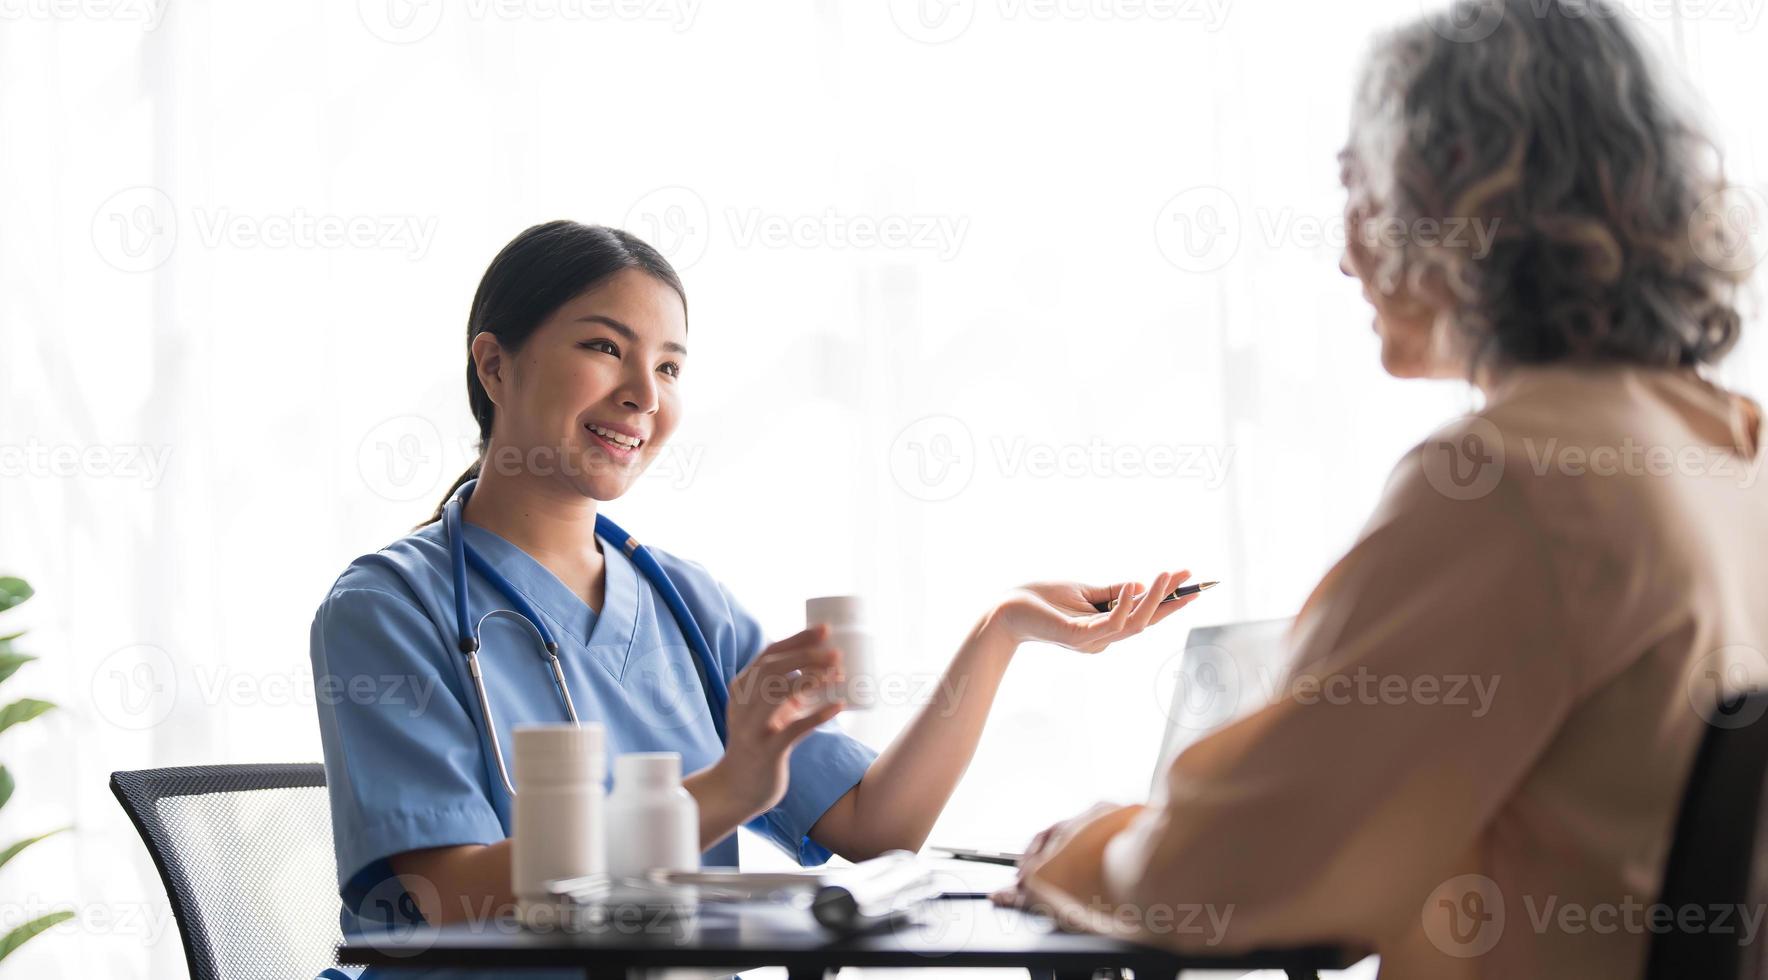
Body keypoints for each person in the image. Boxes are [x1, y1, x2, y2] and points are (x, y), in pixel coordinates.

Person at [993, 1, 1765, 976]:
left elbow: (1228, 873)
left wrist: (1082, 845)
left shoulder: (1515, 482)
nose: (1345, 249)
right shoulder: (1732, 458)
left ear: (1458, 203)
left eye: (1359, 190)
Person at [309, 220, 1198, 978]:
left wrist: (1001, 629)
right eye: (603, 347)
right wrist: (723, 793)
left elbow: (875, 827)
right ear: (495, 366)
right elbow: (443, 899)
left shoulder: (689, 605)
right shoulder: (389, 610)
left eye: (669, 367)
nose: (642, 396)